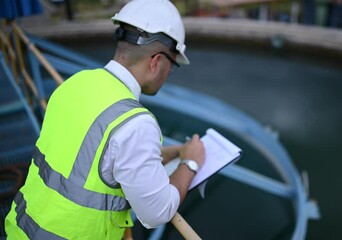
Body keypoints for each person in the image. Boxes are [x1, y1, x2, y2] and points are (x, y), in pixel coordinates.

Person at [4, 0, 205, 239]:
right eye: (172, 66)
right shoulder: (136, 123)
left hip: (22, 230)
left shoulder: (76, 83)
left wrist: (170, 153)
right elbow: (157, 213)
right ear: (157, 62)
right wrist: (191, 163)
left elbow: (93, 154)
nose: (168, 74)